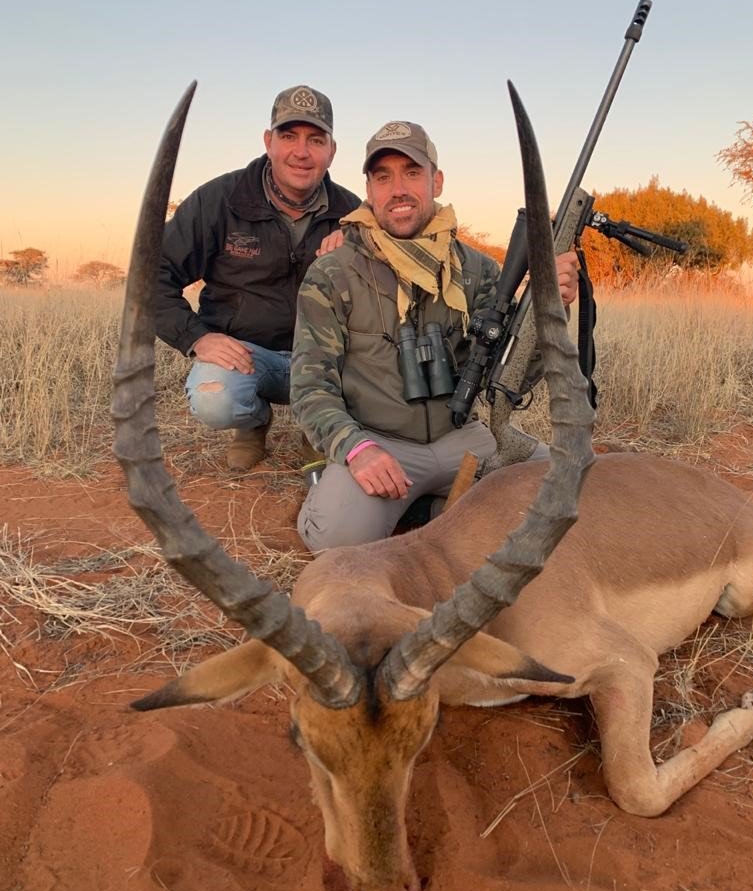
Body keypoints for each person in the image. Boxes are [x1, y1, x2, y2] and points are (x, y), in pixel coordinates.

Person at [291, 120, 579, 552]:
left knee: (568, 494)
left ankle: (427, 507)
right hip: (379, 443)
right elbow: (311, 386)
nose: (398, 189)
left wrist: (549, 314)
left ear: (436, 180)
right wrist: (355, 448)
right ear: (368, 190)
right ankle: (429, 504)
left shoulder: (478, 270)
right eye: (383, 177)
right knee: (335, 539)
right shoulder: (332, 273)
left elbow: (514, 377)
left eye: (412, 172)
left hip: (463, 437)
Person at [155, 85, 361, 471]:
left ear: (332, 150)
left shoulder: (355, 215)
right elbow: (153, 277)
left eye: (316, 140)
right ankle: (252, 423)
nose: (301, 152)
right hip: (249, 356)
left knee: (377, 376)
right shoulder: (218, 199)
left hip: (325, 360)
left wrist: (353, 259)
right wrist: (196, 337)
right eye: (289, 136)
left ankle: (318, 427)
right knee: (215, 399)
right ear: (269, 141)